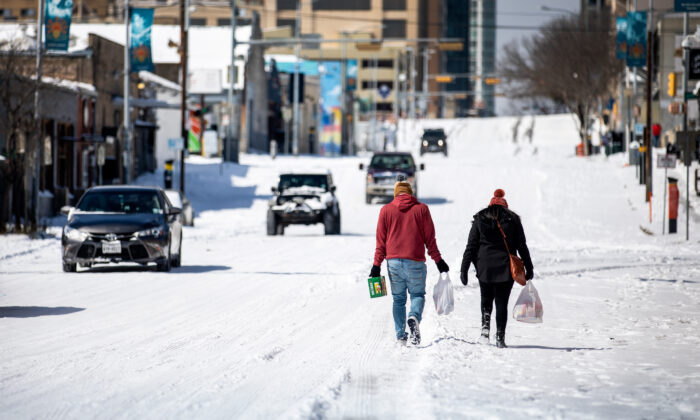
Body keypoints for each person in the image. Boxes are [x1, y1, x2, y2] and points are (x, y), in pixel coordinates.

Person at [370, 177, 449, 345]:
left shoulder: (386, 210)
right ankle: (413, 316)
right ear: (410, 193)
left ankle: (400, 336)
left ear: (396, 193)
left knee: (398, 300)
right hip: (415, 262)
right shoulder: (422, 209)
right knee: (417, 295)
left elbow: (381, 242)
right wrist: (438, 260)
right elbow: (430, 239)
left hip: (393, 263)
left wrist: (376, 265)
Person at [460, 189, 533, 348]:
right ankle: (500, 337)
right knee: (501, 303)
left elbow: (471, 246)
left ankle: (485, 331)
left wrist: (464, 269)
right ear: (505, 205)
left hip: (484, 267)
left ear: (491, 204)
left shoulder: (480, 218)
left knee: (486, 299)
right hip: (506, 268)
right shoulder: (513, 219)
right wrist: (529, 267)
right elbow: (522, 246)